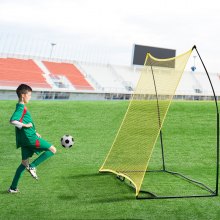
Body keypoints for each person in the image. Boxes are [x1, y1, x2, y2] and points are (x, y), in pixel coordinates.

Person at [8, 84, 56, 193]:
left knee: (24, 163)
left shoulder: (21, 106)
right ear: (23, 95)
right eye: (29, 95)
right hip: (30, 139)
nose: (30, 97)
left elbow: (24, 121)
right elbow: (12, 121)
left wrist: (34, 131)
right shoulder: (21, 107)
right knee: (52, 149)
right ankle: (33, 166)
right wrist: (26, 126)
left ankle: (13, 188)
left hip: (26, 139)